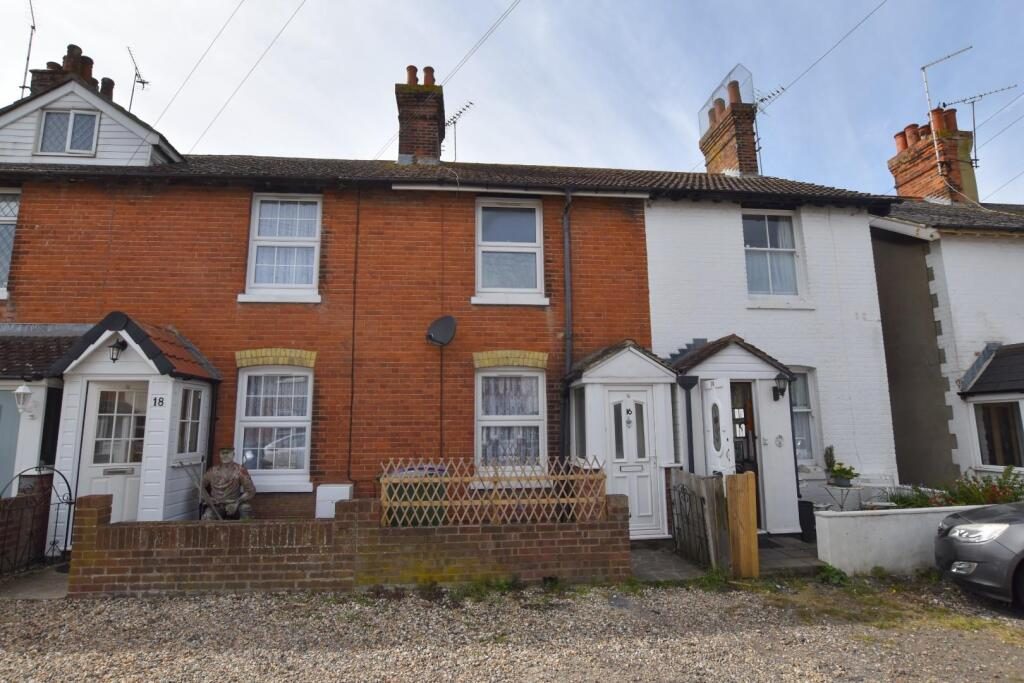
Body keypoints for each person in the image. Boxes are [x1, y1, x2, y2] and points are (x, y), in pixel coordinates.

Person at [201, 448, 255, 520]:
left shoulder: (240, 470)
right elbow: (200, 486)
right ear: (219, 455)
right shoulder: (212, 471)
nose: (225, 455)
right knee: (207, 517)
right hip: (217, 505)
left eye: (228, 453)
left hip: (234, 503)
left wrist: (237, 503)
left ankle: (244, 531)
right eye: (223, 453)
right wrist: (208, 499)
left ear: (233, 455)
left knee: (246, 509)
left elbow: (250, 490)